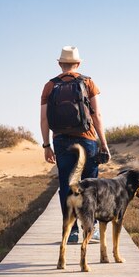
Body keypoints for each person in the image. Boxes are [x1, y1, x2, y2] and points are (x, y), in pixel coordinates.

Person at [40, 46, 110, 243]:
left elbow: (44, 120)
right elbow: (97, 115)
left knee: (66, 186)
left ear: (60, 64)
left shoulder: (49, 85)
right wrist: (103, 143)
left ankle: (71, 232)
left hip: (61, 141)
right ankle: (91, 228)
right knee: (91, 186)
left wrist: (46, 146)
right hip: (87, 139)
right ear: (78, 64)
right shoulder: (88, 82)